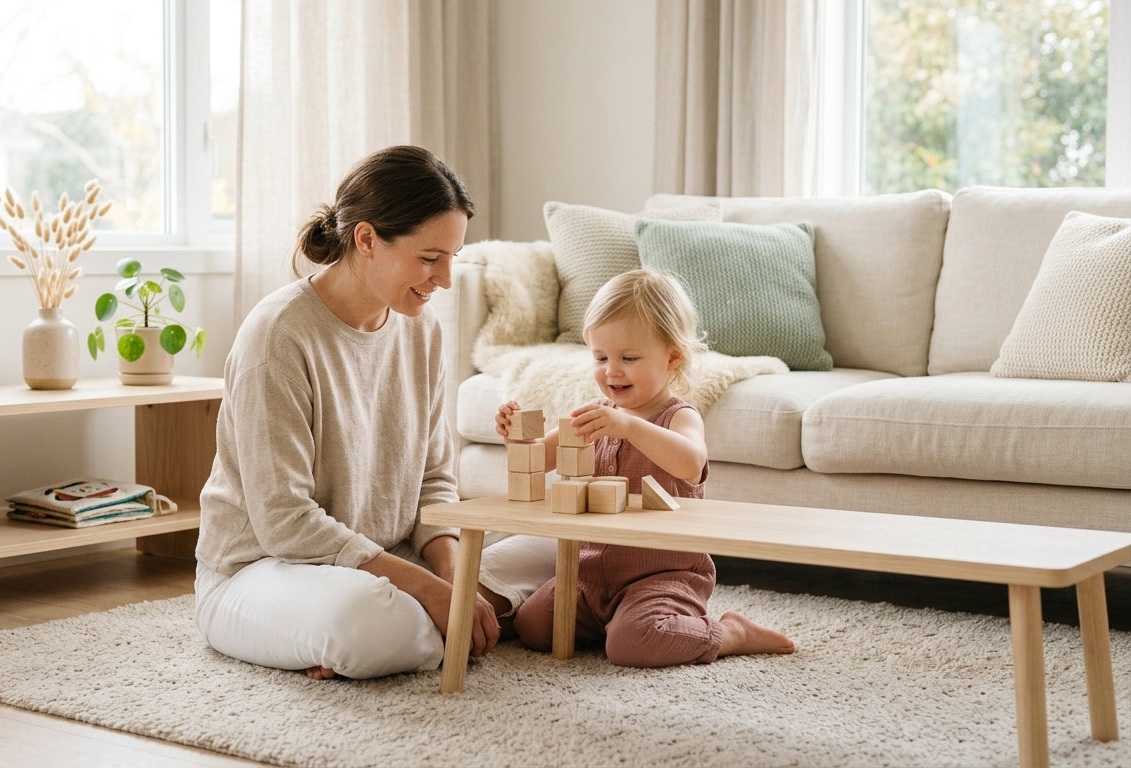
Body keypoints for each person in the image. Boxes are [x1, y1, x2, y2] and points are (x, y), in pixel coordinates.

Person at [194, 145, 554, 680]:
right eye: (430, 258)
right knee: (367, 622)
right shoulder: (278, 336)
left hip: (382, 564)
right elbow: (284, 523)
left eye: (453, 257)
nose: (446, 279)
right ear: (366, 239)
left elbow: (435, 480)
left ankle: (434, 623)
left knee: (560, 549)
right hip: (264, 570)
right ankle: (432, 626)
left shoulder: (421, 327)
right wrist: (429, 590)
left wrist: (451, 583)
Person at [494, 268, 795, 667]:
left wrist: (630, 426)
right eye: (600, 357)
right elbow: (538, 459)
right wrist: (516, 436)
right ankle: (612, 621)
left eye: (628, 358)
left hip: (663, 576)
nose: (611, 370)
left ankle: (730, 632)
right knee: (534, 626)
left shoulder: (678, 416)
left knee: (634, 644)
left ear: (672, 356)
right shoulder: (597, 415)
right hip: (589, 574)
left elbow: (691, 462)